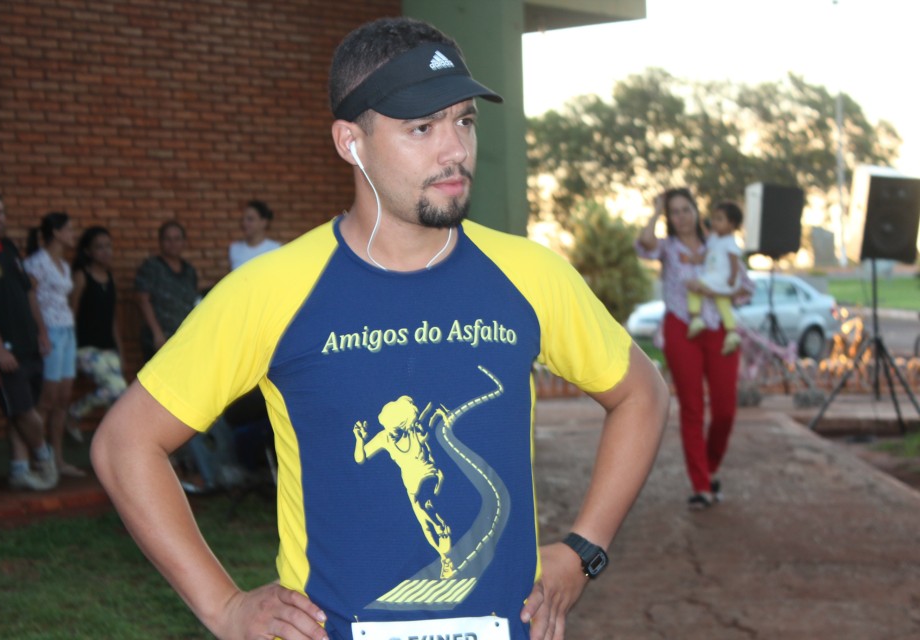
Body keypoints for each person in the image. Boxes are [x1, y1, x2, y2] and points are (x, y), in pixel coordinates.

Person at [92, 17, 668, 640]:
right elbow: (126, 444)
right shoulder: (274, 290)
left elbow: (642, 393)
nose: (455, 150)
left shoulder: (530, 275)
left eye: (464, 121)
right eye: (421, 127)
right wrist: (224, 606)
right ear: (350, 141)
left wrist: (585, 549)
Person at [636, 189, 749, 509]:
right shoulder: (668, 248)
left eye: (686, 209)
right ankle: (701, 485)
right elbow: (645, 243)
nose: (682, 217)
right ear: (669, 218)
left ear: (697, 211)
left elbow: (743, 286)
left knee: (725, 410)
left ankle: (710, 467)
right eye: (675, 212)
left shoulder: (718, 242)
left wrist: (724, 287)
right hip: (681, 329)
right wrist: (655, 210)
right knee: (692, 408)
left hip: (720, 331)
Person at [0, 190, 59, 491]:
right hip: (5, 351)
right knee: (25, 412)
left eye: (0, 211)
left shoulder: (9, 247)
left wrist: (41, 332)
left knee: (19, 411)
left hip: (30, 344)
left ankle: (19, 469)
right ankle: (45, 460)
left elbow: (29, 293)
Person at [24, 211, 83, 478]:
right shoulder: (38, 262)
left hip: (67, 331)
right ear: (57, 232)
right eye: (69, 230)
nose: (73, 234)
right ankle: (36, 458)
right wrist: (41, 332)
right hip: (50, 331)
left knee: (62, 398)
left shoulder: (65, 265)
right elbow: (29, 296)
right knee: (46, 399)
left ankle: (58, 460)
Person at [67, 226, 128, 437]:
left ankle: (113, 442)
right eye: (99, 247)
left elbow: (112, 319)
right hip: (84, 348)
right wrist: (69, 349)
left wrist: (120, 351)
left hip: (108, 348)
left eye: (108, 246)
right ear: (88, 252)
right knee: (117, 389)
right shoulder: (81, 276)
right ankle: (75, 411)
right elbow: (71, 314)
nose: (106, 251)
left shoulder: (111, 278)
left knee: (120, 398)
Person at [133, 220, 198, 361]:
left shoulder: (189, 270)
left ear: (184, 242)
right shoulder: (151, 267)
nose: (172, 243)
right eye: (167, 239)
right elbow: (142, 300)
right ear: (160, 242)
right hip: (158, 339)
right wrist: (157, 333)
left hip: (182, 339)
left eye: (177, 239)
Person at [686, 202, 745, 355]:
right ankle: (732, 332)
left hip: (721, 278)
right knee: (723, 303)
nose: (714, 222)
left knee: (693, 285)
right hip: (715, 278)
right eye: (714, 219)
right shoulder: (714, 238)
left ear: (731, 224)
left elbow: (734, 262)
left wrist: (732, 277)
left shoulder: (730, 242)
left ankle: (695, 317)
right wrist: (695, 259)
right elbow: (706, 255)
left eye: (719, 219)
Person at [228, 199, 282, 270]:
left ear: (263, 222)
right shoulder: (235, 249)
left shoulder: (275, 249)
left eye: (250, 219)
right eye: (243, 219)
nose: (244, 223)